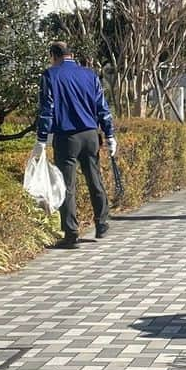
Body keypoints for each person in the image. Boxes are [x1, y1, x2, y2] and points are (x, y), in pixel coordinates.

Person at [34, 41, 116, 249]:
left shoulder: (50, 75)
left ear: (54, 55)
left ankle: (71, 234)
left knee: (67, 186)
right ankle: (102, 223)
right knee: (94, 178)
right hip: (90, 135)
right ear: (71, 54)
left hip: (66, 137)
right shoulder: (89, 75)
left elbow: (47, 109)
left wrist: (41, 140)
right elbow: (102, 107)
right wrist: (109, 135)